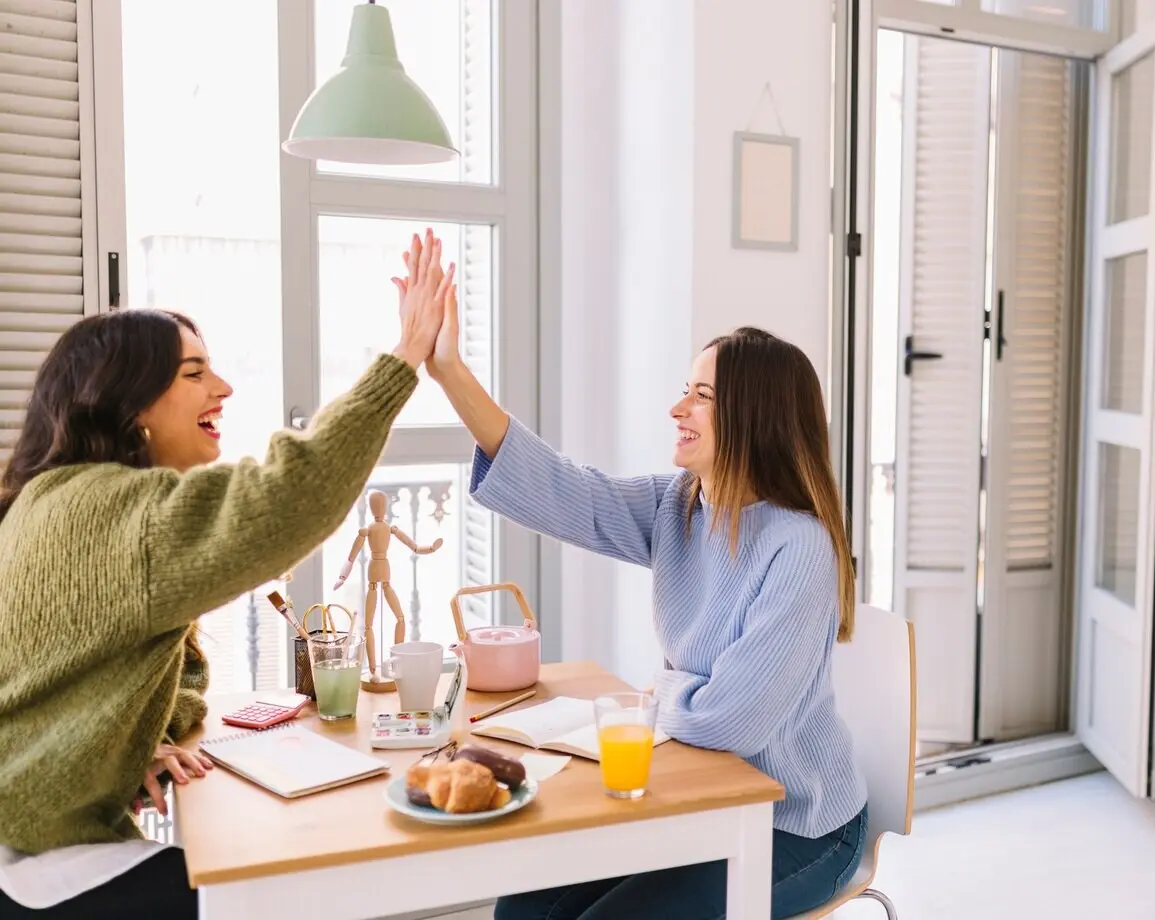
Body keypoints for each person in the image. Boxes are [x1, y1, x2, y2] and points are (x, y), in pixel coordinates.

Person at [0, 230, 455, 918]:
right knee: (295, 887)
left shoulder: (52, 500)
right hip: (42, 868)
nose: (223, 387)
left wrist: (127, 742)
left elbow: (100, 673)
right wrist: (403, 361)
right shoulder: (113, 513)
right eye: (193, 374)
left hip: (28, 836)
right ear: (131, 405)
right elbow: (286, 498)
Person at [420, 279, 868, 919]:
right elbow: (565, 492)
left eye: (702, 396)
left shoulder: (798, 548)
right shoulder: (679, 505)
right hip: (704, 797)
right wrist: (450, 374)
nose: (678, 408)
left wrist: (661, 695)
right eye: (687, 390)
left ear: (754, 417)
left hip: (797, 824)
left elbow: (728, 722)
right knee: (523, 909)